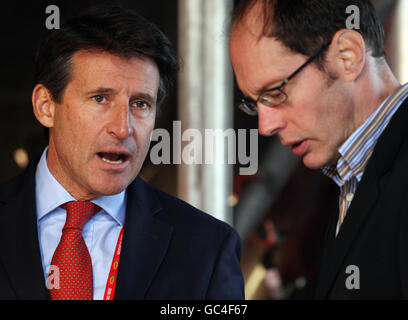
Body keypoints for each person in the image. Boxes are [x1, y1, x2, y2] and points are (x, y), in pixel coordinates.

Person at [0, 5, 244, 300]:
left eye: (141, 104)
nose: (123, 128)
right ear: (45, 106)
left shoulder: (207, 249)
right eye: (100, 98)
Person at [229, 0, 408, 299]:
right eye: (253, 103)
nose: (265, 126)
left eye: (276, 92)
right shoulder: (350, 178)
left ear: (348, 56)